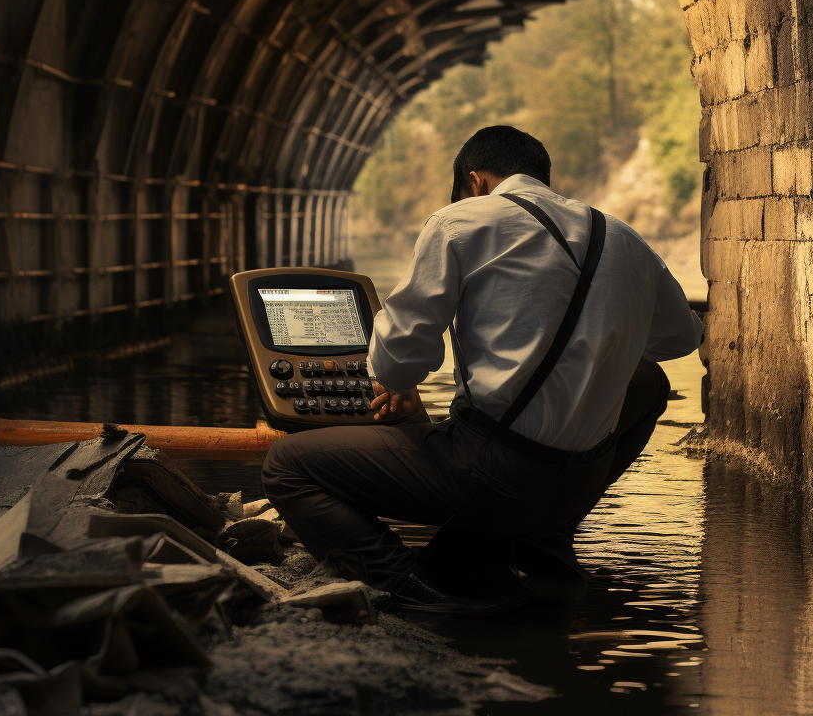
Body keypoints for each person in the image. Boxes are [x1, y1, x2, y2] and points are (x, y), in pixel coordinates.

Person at [261, 125, 703, 614]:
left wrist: (400, 384)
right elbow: (681, 337)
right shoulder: (623, 238)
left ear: (475, 182)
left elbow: (396, 359)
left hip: (493, 475)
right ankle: (544, 539)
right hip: (579, 478)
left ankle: (414, 591)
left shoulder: (459, 223)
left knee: (288, 466)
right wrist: (595, 347)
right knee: (648, 381)